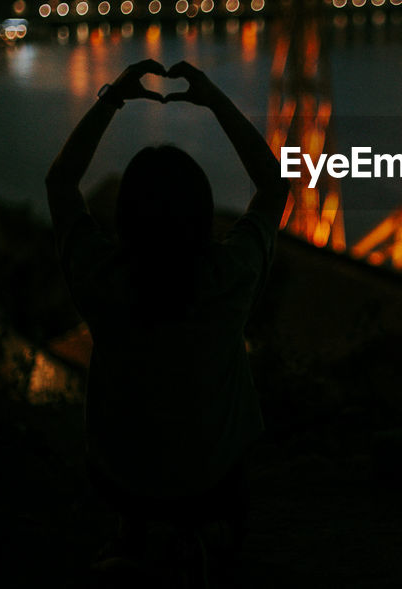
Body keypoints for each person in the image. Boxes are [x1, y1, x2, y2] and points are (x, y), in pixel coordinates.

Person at [45, 59, 289, 573]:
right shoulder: (230, 276)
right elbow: (272, 185)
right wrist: (217, 99)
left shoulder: (101, 277)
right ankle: (199, 533)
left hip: (120, 478)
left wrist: (111, 98)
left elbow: (62, 183)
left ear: (124, 216)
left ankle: (131, 532)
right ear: (204, 215)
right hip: (211, 480)